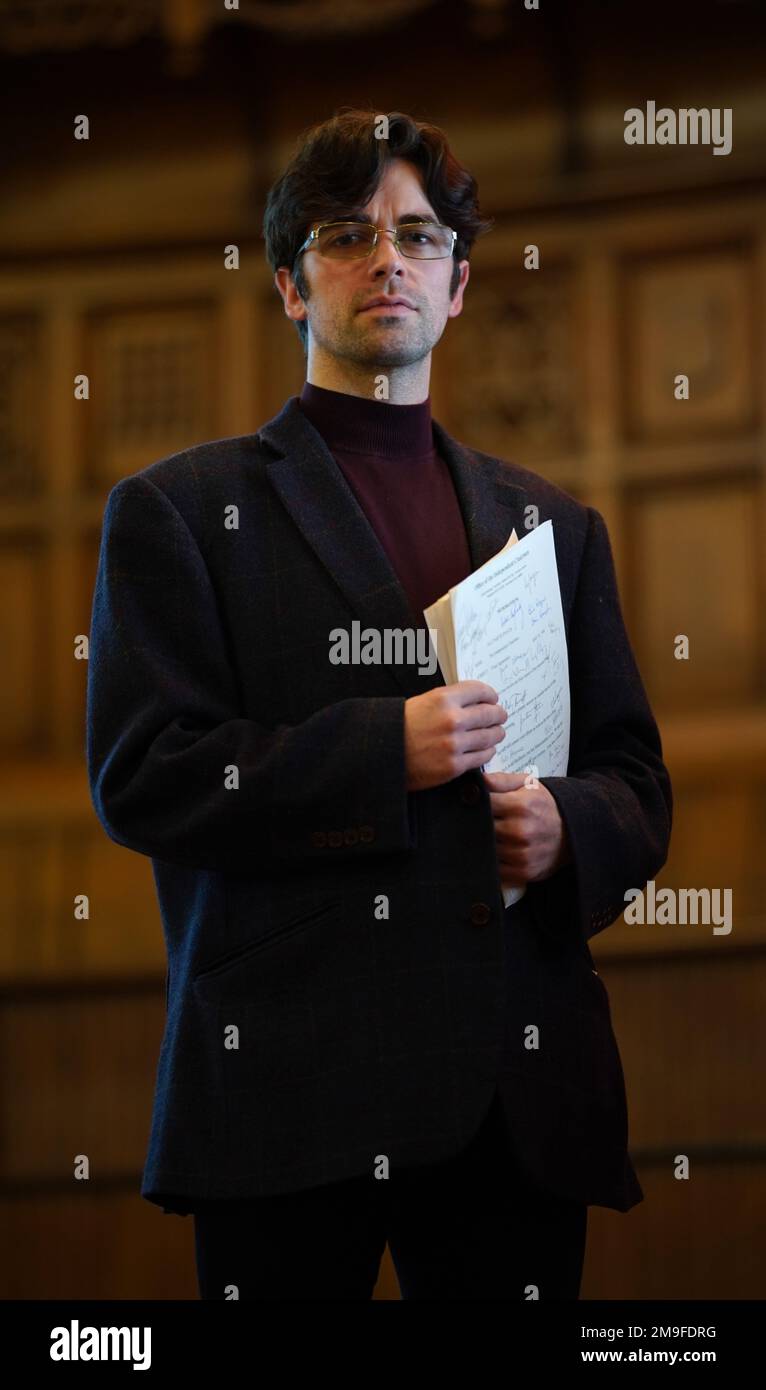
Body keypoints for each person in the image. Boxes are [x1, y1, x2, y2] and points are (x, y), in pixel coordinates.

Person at [86, 108, 672, 1300]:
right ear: (293, 287)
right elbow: (146, 771)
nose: (387, 259)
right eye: (347, 235)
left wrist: (571, 827)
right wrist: (381, 754)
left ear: (457, 286)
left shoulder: (554, 527)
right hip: (291, 1082)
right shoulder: (181, 512)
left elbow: (636, 780)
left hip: (517, 1088)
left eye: (418, 234)